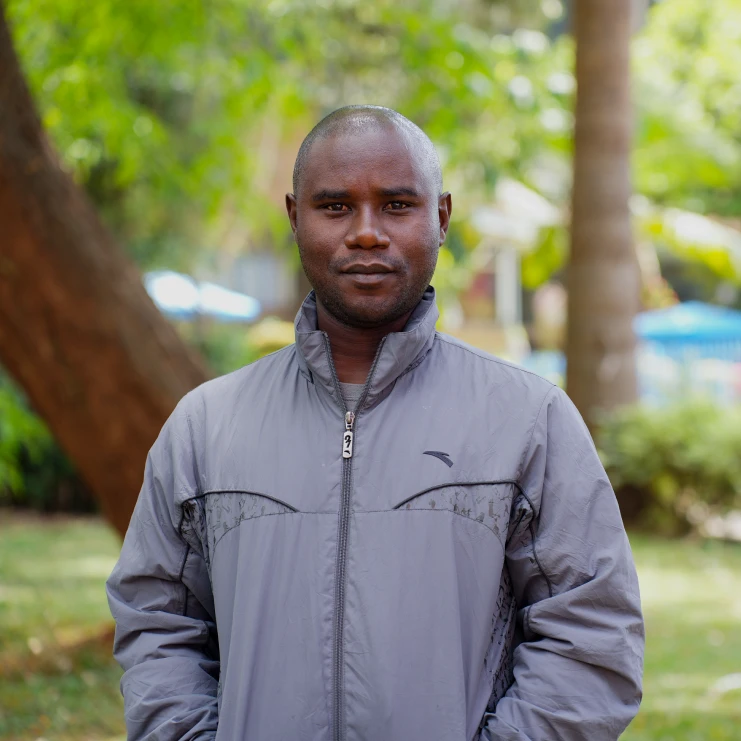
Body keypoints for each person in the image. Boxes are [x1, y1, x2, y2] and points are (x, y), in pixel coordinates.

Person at [107, 105, 644, 741]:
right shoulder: (205, 426)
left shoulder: (529, 420)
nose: (366, 233)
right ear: (294, 216)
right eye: (335, 207)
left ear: (440, 217)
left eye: (396, 205)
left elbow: (591, 636)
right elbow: (157, 623)